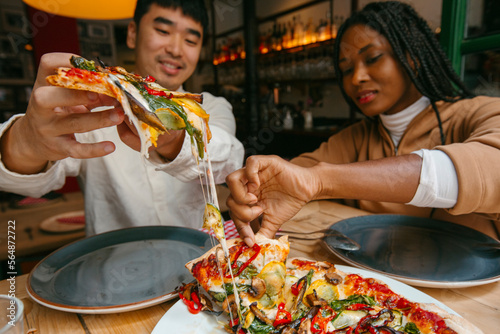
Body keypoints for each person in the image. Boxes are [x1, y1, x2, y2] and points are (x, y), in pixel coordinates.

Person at [226, 1, 500, 247]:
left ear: (412, 57)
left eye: (373, 59)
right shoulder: (356, 138)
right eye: (346, 69)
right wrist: (256, 193)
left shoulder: (478, 113)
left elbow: (490, 168)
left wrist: (321, 180)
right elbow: (292, 178)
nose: (357, 77)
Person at [0, 0, 244, 235]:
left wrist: (174, 137)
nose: (176, 49)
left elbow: (227, 162)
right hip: (111, 270)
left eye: (191, 40)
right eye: (162, 30)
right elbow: (29, 185)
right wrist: (25, 143)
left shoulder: (211, 106)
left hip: (198, 264)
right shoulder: (85, 109)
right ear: (132, 34)